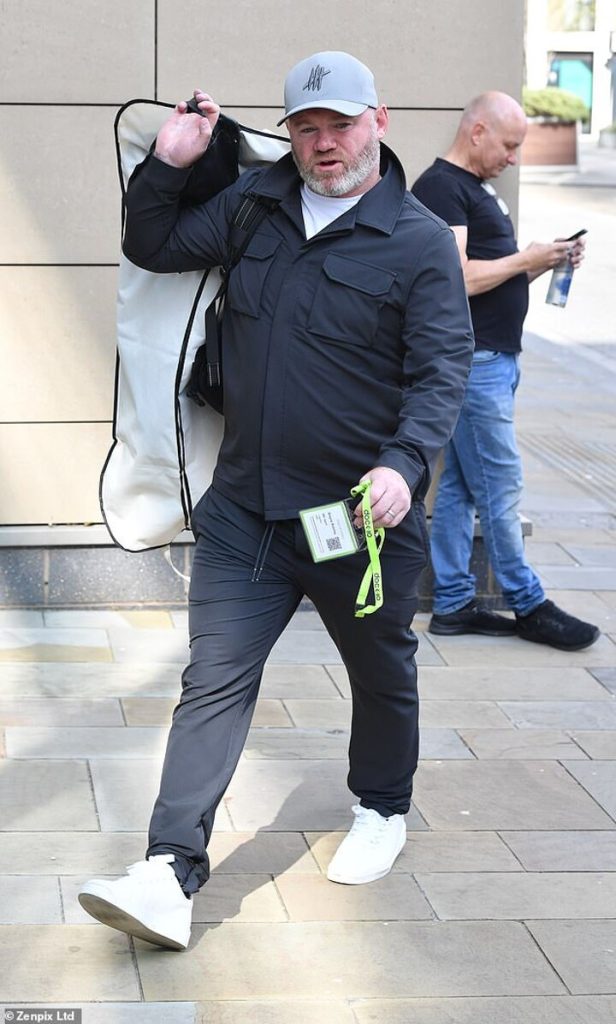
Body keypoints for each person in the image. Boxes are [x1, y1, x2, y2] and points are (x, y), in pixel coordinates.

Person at [78, 51, 473, 950]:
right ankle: (168, 870)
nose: (324, 143)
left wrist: (405, 465)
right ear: (289, 133)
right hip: (244, 511)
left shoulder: (417, 241)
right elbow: (153, 246)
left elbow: (441, 371)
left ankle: (382, 805)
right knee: (212, 679)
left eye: (341, 125)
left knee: (380, 670)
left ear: (379, 120)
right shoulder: (254, 206)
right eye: (306, 127)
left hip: (352, 521)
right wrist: (168, 163)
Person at [412, 91, 600, 652]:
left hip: (491, 359)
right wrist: (527, 257)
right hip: (475, 363)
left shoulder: (475, 188)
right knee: (501, 483)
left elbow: (493, 280)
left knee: (459, 488)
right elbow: (456, 279)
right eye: (509, 145)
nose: (513, 157)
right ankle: (528, 602)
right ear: (477, 132)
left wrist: (546, 261)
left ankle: (452, 604)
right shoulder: (441, 188)